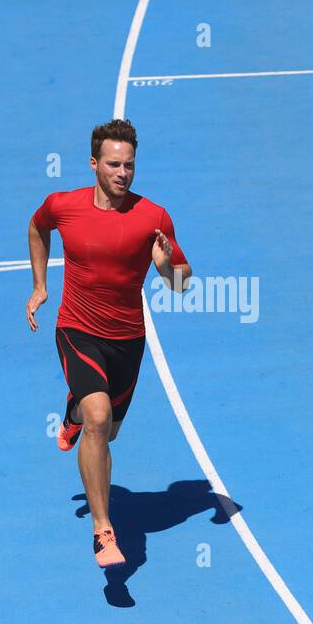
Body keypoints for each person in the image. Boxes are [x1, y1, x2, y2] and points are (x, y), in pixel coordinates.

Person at [26, 118, 192, 568]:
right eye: (115, 165)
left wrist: (166, 264)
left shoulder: (153, 216)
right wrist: (40, 286)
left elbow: (182, 284)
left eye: (130, 166)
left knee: (108, 428)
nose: (123, 173)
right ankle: (103, 531)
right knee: (100, 420)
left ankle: (74, 408)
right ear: (94, 164)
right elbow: (37, 229)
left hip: (127, 341)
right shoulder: (63, 206)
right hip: (77, 329)